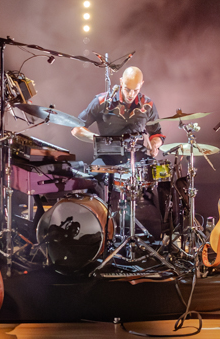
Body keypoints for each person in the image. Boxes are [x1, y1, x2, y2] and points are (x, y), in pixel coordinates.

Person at [70, 66, 166, 237]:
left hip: (136, 157)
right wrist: (96, 139)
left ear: (141, 85)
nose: (131, 94)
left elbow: (157, 132)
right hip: (107, 156)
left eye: (135, 90)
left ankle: (154, 231)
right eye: (127, 89)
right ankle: (98, 230)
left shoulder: (148, 104)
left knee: (160, 176)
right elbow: (76, 128)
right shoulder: (101, 101)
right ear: (121, 82)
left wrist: (155, 144)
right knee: (92, 178)